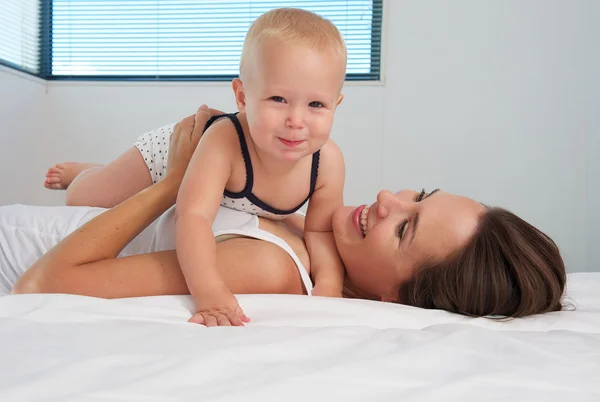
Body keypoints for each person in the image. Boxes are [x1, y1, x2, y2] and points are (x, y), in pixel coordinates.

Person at [7, 105, 566, 324]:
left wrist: (178, 179)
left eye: (406, 227)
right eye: (418, 194)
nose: (389, 200)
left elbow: (45, 284)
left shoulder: (272, 269)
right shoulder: (313, 233)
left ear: (397, 298)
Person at [46, 8, 349, 325]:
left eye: (316, 104)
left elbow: (320, 229)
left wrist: (328, 283)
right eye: (278, 99)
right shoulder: (225, 142)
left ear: (335, 104)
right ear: (242, 98)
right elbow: (192, 217)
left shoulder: (326, 162)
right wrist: (208, 290)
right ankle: (85, 172)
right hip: (174, 159)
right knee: (87, 196)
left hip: (221, 191)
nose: (296, 121)